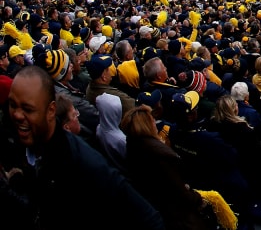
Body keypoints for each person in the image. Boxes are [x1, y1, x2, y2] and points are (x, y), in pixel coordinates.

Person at [6, 66, 165, 228]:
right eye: (12, 105)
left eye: (27, 109)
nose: (17, 115)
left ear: (50, 111)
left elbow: (148, 217)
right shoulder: (24, 139)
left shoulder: (85, 163)